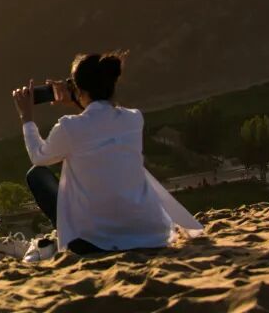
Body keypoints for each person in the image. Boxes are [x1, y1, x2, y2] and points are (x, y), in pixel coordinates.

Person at [12, 52, 202, 256]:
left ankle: (66, 235)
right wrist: (78, 99)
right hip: (151, 233)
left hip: (95, 242)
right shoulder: (134, 119)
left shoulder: (69, 127)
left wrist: (27, 117)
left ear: (79, 89)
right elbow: (100, 122)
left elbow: (39, 157)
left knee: (36, 174)